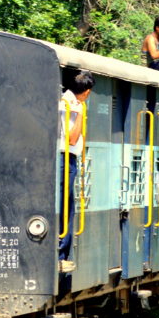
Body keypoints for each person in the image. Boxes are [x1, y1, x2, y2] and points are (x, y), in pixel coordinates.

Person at [58, 70, 94, 272]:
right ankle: (61, 254)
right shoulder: (71, 105)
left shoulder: (66, 101)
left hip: (65, 158)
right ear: (86, 92)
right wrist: (81, 114)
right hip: (65, 158)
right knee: (66, 207)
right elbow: (72, 139)